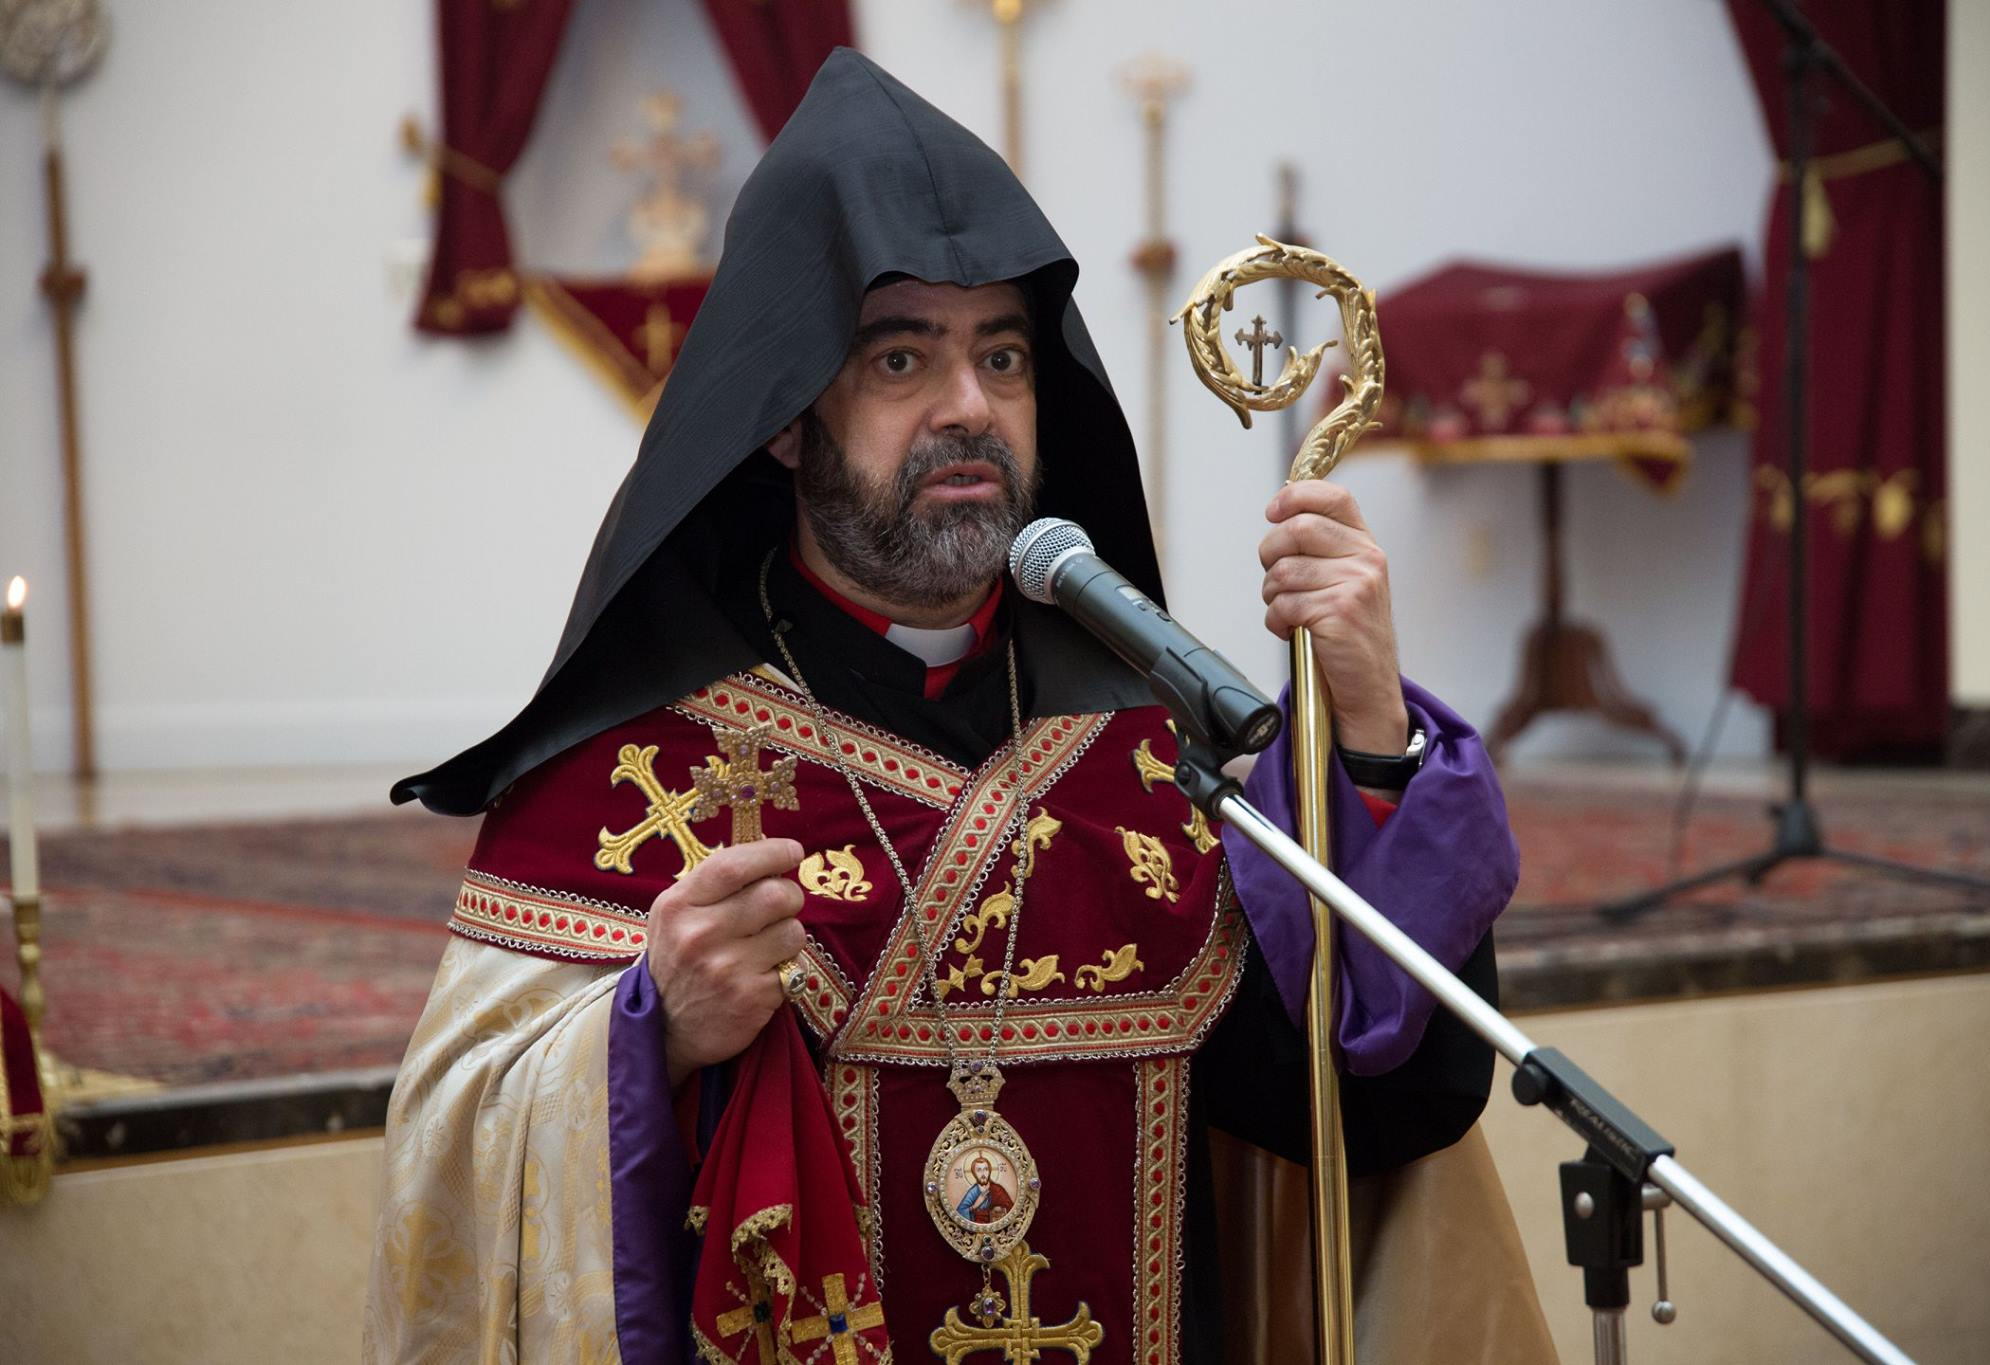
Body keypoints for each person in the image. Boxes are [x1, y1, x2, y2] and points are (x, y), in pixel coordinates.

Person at [366, 49, 1542, 1365]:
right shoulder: (629, 784)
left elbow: (1370, 1106)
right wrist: (652, 1035)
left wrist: (1367, 730)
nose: (970, 406)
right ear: (785, 419)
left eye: (1003, 355)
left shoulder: (1153, 757)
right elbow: (459, 1159)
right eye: (900, 358)